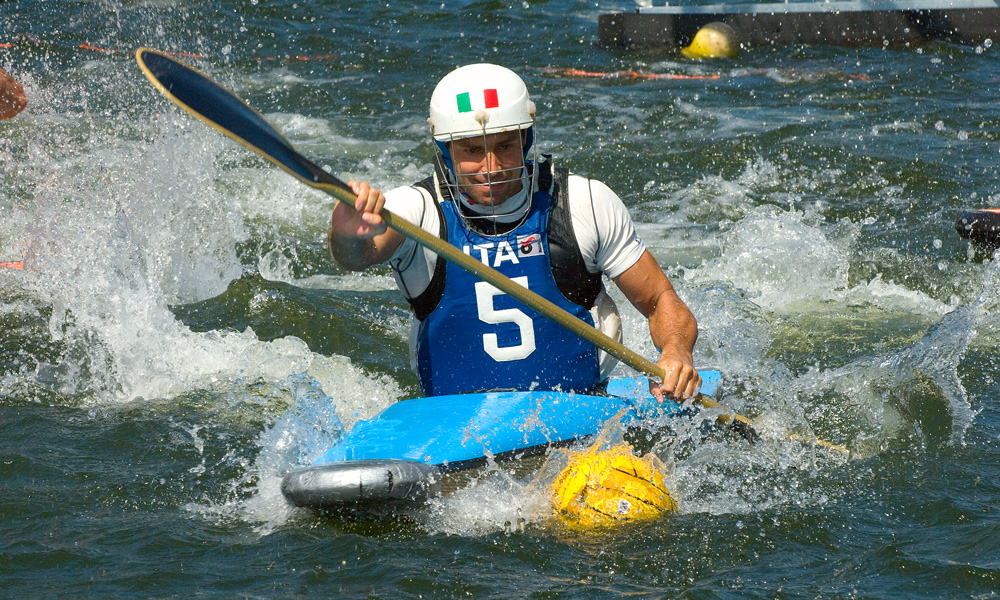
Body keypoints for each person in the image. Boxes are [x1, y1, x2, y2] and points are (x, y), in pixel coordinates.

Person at [328, 63, 700, 402]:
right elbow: (359, 255)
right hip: (454, 427)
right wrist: (348, 234)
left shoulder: (585, 201)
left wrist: (676, 351)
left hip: (583, 414)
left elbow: (658, 300)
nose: (490, 167)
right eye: (472, 150)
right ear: (445, 151)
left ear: (526, 139)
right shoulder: (416, 210)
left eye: (505, 146)